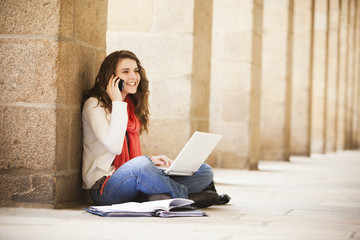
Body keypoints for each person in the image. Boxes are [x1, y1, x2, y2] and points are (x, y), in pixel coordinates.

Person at [82, 50, 221, 208]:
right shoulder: (94, 105)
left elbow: (131, 158)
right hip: (104, 187)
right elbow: (115, 146)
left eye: (135, 71)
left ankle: (157, 196)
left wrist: (151, 160)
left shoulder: (131, 107)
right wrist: (117, 102)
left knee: (204, 171)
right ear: (111, 77)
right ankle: (186, 198)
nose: (133, 76)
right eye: (125, 72)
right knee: (142, 166)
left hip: (131, 177)